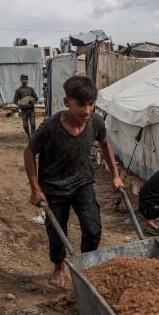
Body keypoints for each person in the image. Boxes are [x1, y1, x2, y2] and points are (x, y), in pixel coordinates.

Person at [23, 76, 123, 289]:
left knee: (93, 228)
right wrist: (35, 188)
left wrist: (115, 175)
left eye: (91, 104)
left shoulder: (95, 122)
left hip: (82, 183)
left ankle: (85, 265)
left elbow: (105, 144)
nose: (87, 110)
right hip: (53, 187)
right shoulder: (50, 127)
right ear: (67, 102)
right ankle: (59, 267)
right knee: (57, 232)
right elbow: (29, 152)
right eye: (80, 104)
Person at [14, 74, 39, 138]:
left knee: (33, 124)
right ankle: (28, 134)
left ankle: (33, 137)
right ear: (21, 80)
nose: (24, 81)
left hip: (31, 110)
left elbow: (36, 98)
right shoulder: (18, 90)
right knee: (25, 125)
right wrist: (19, 106)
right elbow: (15, 100)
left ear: (27, 80)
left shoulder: (31, 89)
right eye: (23, 79)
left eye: (26, 79)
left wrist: (31, 100)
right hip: (24, 111)